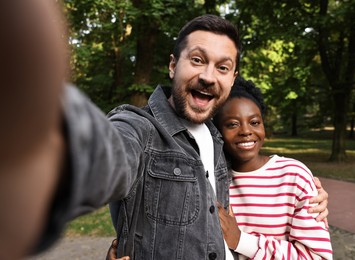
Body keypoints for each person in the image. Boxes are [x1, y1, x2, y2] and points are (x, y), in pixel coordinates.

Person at [0, 1, 329, 259]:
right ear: (174, 64)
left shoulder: (218, 137)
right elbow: (110, 152)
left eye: (222, 67)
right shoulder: (139, 128)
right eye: (197, 60)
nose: (208, 76)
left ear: (232, 77)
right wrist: (37, 144)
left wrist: (308, 191)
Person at [214, 76, 333, 259]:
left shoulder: (294, 175)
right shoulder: (209, 179)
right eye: (232, 124)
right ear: (217, 130)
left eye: (254, 122)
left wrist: (241, 241)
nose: (246, 131)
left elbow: (316, 256)